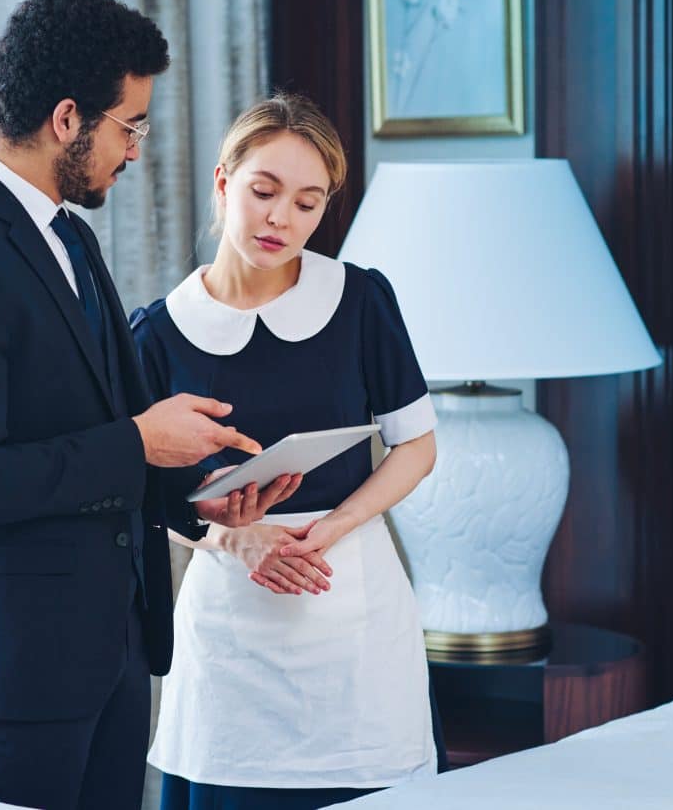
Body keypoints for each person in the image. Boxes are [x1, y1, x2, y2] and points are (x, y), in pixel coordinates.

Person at [0, 0, 294, 810]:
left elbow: (104, 425)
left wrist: (200, 500)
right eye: (130, 126)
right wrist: (143, 443)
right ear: (67, 118)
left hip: (109, 645)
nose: (138, 149)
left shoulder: (69, 232)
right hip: (17, 668)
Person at [132, 94, 441, 809]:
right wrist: (238, 539)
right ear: (222, 182)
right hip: (231, 633)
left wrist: (334, 526)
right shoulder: (156, 333)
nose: (282, 219)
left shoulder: (360, 300)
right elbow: (148, 494)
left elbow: (416, 445)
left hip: (352, 612)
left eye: (307, 203)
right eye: (264, 192)